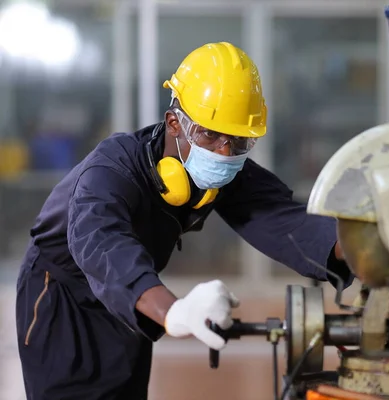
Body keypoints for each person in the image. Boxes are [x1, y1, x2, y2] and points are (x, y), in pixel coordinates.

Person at [15, 42, 354, 400]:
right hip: (63, 295)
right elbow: (103, 245)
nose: (223, 153)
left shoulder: (224, 167)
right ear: (175, 123)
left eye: (238, 141)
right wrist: (174, 310)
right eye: (209, 135)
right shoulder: (111, 171)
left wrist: (368, 249)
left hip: (132, 296)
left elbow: (285, 221)